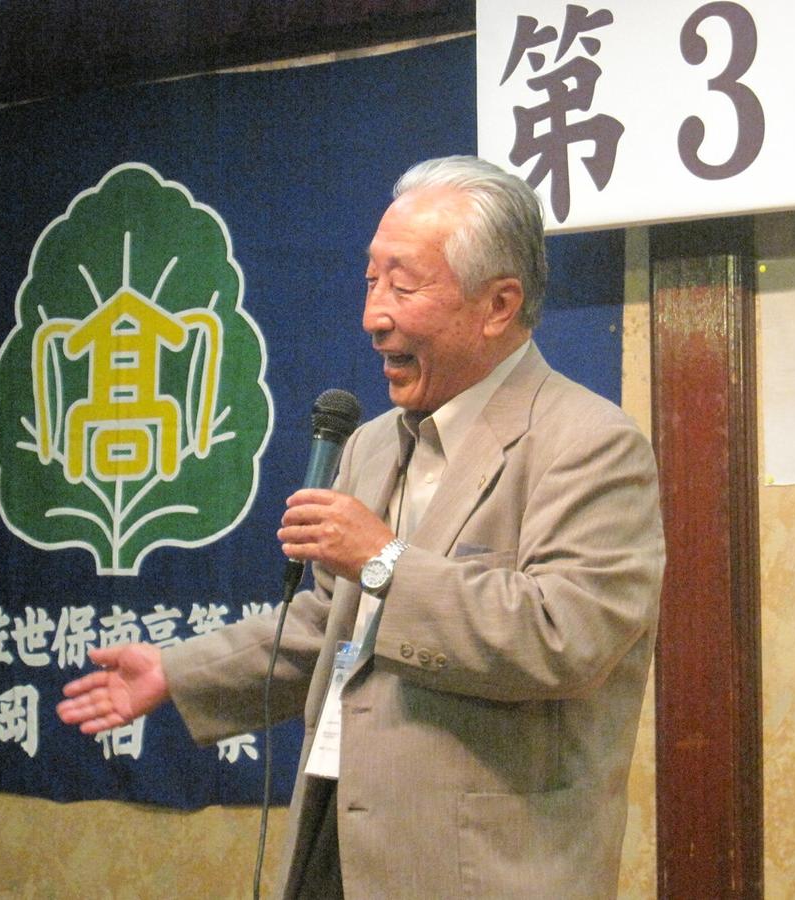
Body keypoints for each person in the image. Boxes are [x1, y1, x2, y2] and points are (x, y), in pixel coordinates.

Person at [57, 155, 665, 898]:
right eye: (371, 282)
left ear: (499, 304)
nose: (374, 316)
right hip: (336, 841)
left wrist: (383, 560)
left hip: (480, 871)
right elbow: (331, 625)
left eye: (403, 287)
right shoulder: (371, 443)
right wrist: (178, 672)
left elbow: (562, 636)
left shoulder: (590, 442)